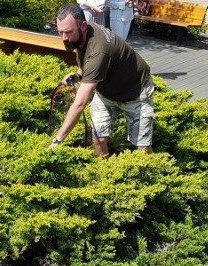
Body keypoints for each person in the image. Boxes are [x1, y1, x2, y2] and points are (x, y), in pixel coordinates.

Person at [49, 2, 155, 155]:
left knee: (142, 149)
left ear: (83, 25)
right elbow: (88, 62)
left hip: (136, 93)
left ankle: (156, 175)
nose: (64, 38)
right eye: (60, 32)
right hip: (106, 93)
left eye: (68, 32)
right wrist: (78, 75)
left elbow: (80, 104)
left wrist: (57, 140)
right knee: (98, 140)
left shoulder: (99, 50)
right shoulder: (83, 35)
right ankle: (102, 174)